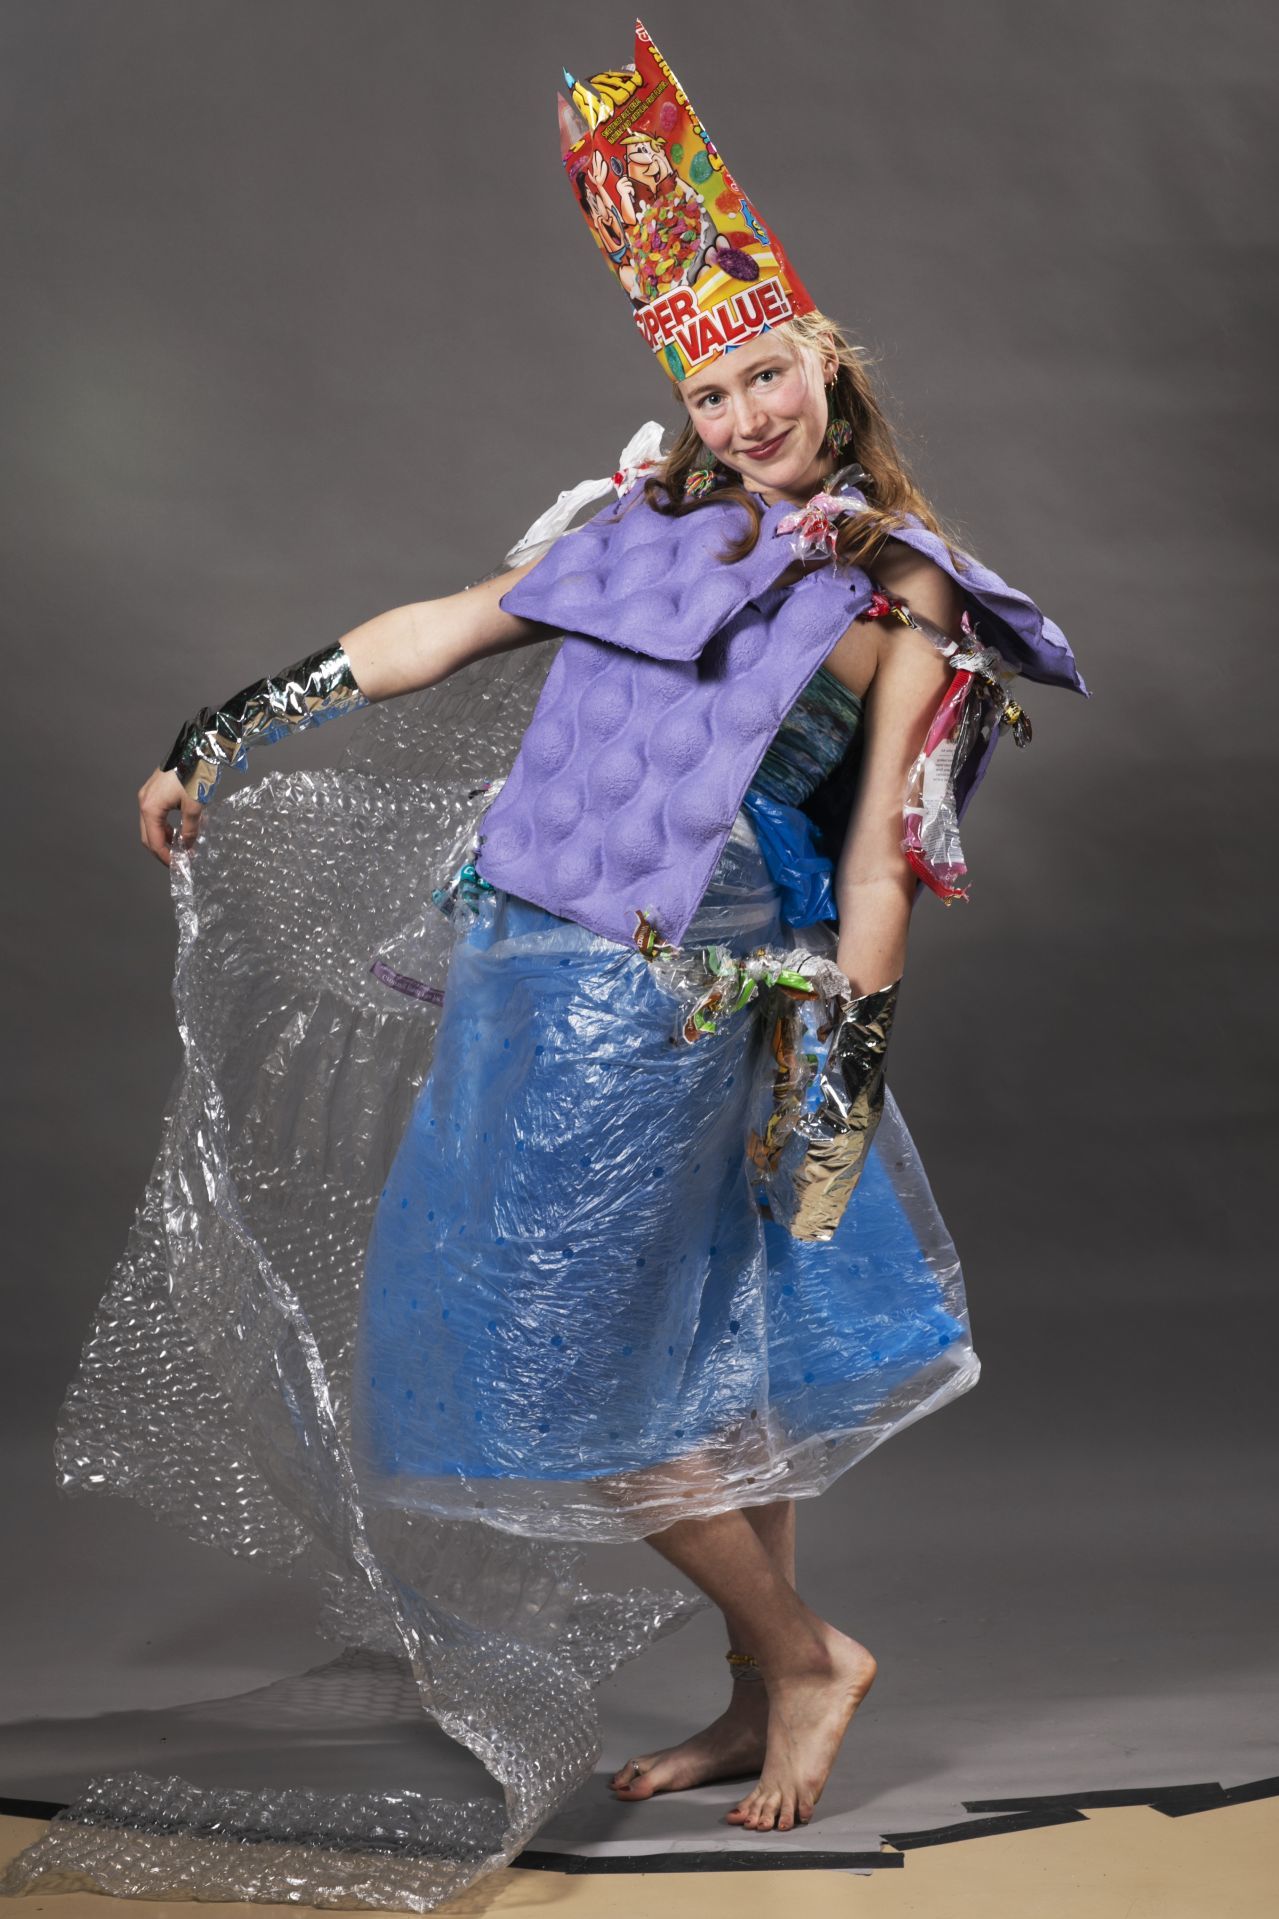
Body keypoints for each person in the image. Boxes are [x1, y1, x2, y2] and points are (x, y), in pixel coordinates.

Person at [6, 22, 1087, 1910]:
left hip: (679, 1004)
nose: (746, 412)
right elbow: (440, 629)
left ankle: (809, 1658)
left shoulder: (903, 582)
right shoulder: (643, 523)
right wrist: (229, 727)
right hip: (526, 977)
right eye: (711, 385)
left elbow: (880, 852)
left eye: (768, 370)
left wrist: (843, 1072)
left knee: (572, 1376)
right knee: (691, 1354)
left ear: (826, 357)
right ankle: (759, 1685)